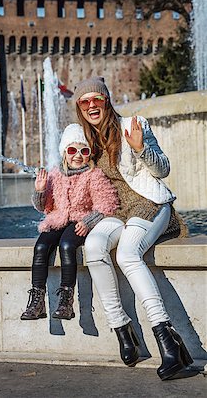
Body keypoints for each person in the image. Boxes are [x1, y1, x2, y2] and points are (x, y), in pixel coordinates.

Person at [74, 76, 192, 380]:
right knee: (93, 247)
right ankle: (122, 330)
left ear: (106, 100)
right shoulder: (86, 140)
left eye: (96, 100)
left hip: (148, 203)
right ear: (79, 108)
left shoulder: (133, 125)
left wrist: (140, 149)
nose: (91, 106)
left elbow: (163, 168)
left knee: (127, 254)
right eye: (84, 102)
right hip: (114, 211)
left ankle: (167, 338)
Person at [21, 123, 119, 321]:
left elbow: (107, 203)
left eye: (83, 151)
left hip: (79, 221)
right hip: (57, 219)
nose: (77, 155)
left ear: (89, 154)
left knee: (67, 245)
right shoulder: (56, 175)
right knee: (41, 247)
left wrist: (89, 221)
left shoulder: (94, 175)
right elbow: (44, 206)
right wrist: (40, 190)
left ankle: (66, 301)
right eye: (72, 150)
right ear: (65, 153)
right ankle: (37, 300)